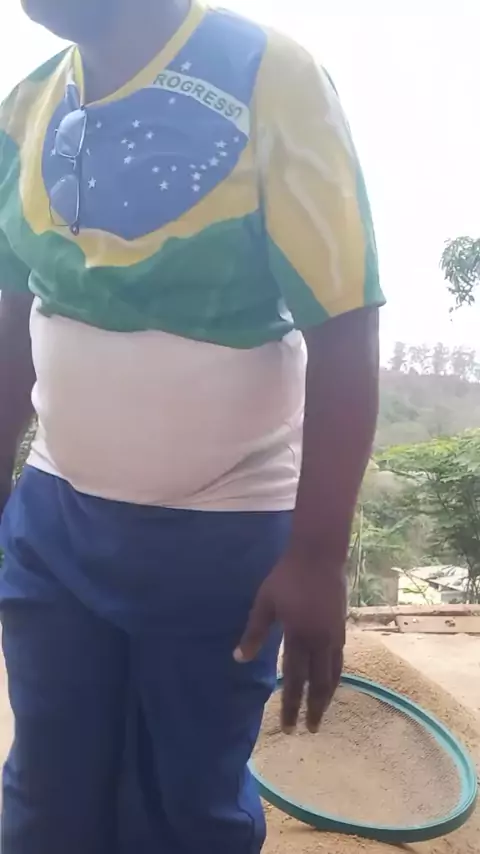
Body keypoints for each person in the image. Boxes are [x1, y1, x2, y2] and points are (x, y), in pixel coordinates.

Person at [0, 0, 384, 852]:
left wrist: (317, 556)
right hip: (54, 526)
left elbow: (344, 324)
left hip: (222, 541)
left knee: (187, 806)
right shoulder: (27, 106)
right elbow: (13, 316)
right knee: (48, 795)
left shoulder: (270, 77)